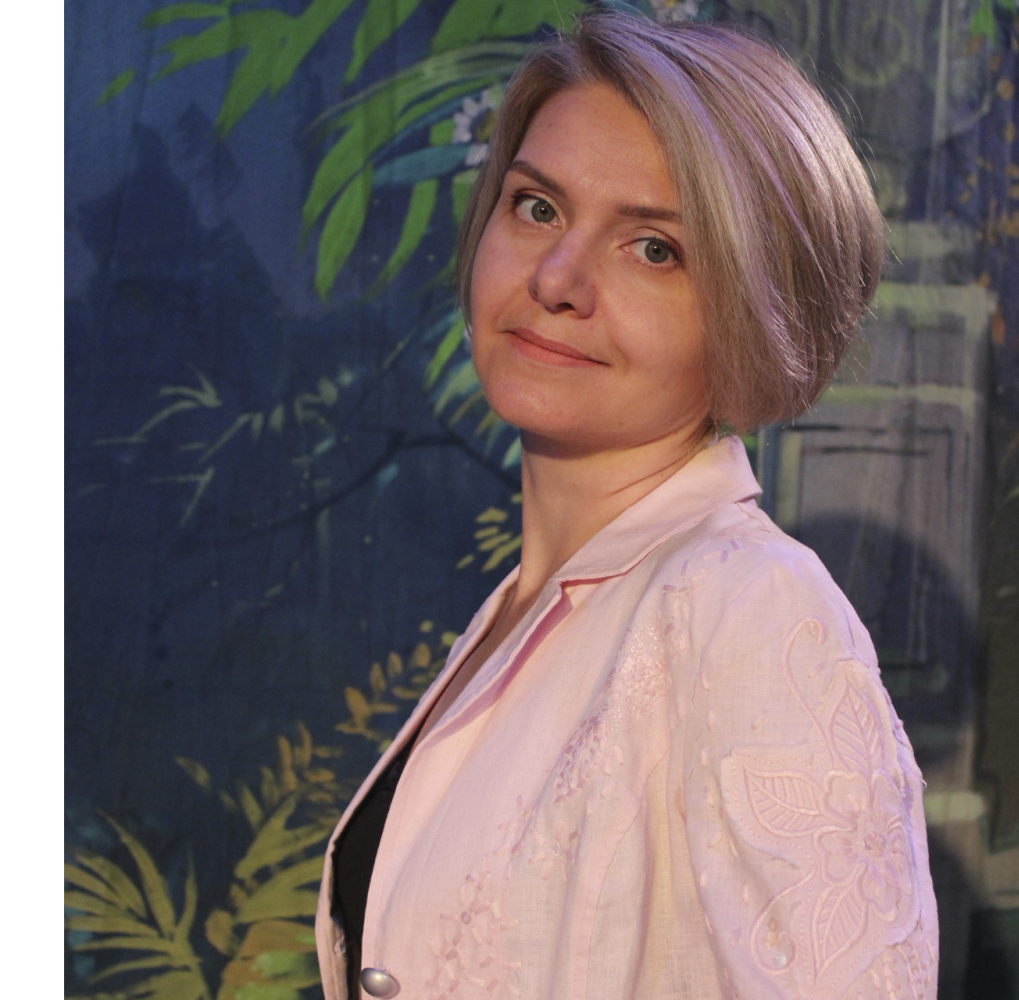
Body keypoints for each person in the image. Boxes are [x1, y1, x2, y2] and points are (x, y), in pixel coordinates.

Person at [316, 12, 938, 1000]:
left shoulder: (750, 607)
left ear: (754, 311)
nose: (557, 279)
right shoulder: (531, 608)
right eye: (536, 207)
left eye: (653, 249)